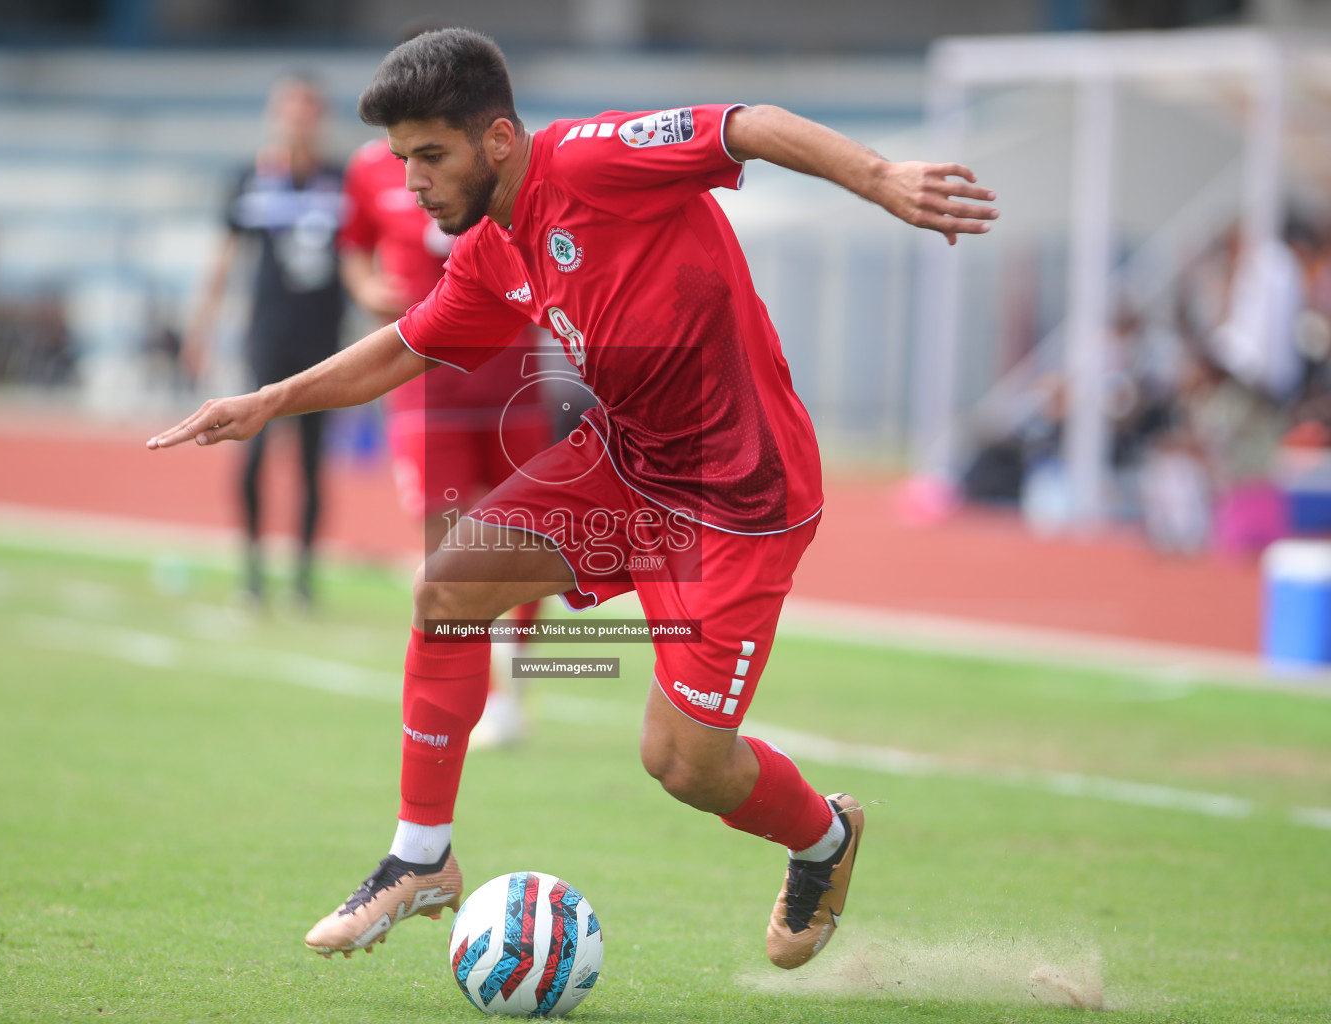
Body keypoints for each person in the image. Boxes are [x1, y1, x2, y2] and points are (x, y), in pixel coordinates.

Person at [149, 28, 996, 970]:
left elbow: (744, 126)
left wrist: (882, 180)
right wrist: (269, 401)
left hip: (739, 498)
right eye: (402, 161)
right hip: (626, 464)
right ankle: (420, 858)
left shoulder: (594, 159)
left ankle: (824, 839)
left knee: (684, 766)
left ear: (498, 140)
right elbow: (402, 348)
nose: (414, 182)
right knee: (451, 586)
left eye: (432, 156)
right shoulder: (486, 253)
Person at [339, 127, 555, 747]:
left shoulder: (498, 158)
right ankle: (482, 698)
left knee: (531, 539)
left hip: (511, 381)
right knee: (447, 552)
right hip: (427, 390)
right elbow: (352, 244)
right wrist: (362, 286)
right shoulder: (368, 169)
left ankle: (518, 678)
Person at [183, 71, 346, 605]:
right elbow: (224, 259)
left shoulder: (341, 180)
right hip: (266, 336)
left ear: (319, 116)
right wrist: (199, 328)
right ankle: (252, 572)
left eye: (307, 108)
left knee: (312, 461)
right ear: (276, 115)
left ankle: (302, 577)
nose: (298, 118)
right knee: (251, 455)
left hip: (325, 340)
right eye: (289, 108)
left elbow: (364, 255)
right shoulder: (250, 180)